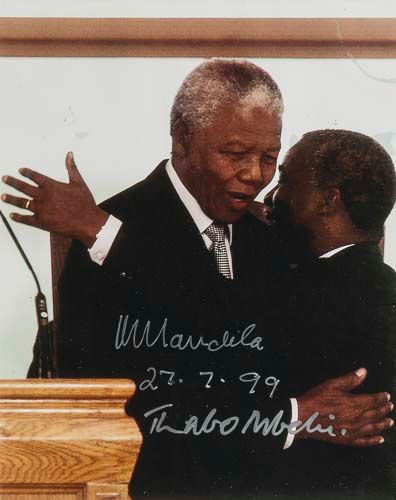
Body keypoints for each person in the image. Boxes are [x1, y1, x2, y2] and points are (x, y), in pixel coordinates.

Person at [1, 60, 393, 498]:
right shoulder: (103, 241)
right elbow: (123, 416)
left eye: (268, 158)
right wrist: (292, 417)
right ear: (183, 138)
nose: (255, 177)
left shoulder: (273, 234)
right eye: (235, 154)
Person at [265, 129, 396, 498]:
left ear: (327, 201)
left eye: (286, 181)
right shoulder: (379, 287)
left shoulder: (303, 300)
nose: (271, 196)